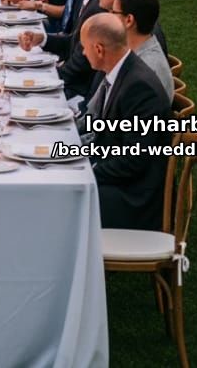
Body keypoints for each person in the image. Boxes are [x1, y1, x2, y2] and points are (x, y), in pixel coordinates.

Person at [79, 13, 171, 230]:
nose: (83, 52)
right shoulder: (121, 70)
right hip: (119, 177)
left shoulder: (139, 89)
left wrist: (85, 170)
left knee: (63, 196)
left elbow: (133, 160)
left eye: (85, 47)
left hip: (134, 198)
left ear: (99, 49)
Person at [19, 0, 111, 99]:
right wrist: (42, 39)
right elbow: (74, 42)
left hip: (79, 91)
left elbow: (80, 65)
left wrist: (47, 79)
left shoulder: (97, 7)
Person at [112, 0, 175, 100]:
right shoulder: (135, 51)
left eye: (113, 12)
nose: (109, 17)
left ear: (129, 20)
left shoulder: (146, 70)